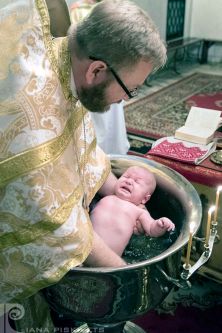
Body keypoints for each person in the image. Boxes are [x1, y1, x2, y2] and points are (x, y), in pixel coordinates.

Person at [0, 0, 166, 329]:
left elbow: (83, 149)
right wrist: (126, 282)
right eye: (130, 88)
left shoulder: (65, 63)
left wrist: (116, 187)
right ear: (96, 71)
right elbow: (60, 227)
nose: (124, 99)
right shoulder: (33, 133)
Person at [70, 0, 130, 154]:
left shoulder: (112, 7)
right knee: (95, 120)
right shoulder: (78, 10)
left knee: (113, 113)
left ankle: (114, 150)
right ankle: (96, 152)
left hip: (114, 71)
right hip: (95, 74)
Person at [91, 166, 175, 256]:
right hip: (83, 244)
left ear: (144, 199)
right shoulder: (107, 196)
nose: (128, 181)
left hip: (107, 258)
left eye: (137, 182)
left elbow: (151, 229)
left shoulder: (139, 211)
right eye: (126, 177)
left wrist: (160, 224)